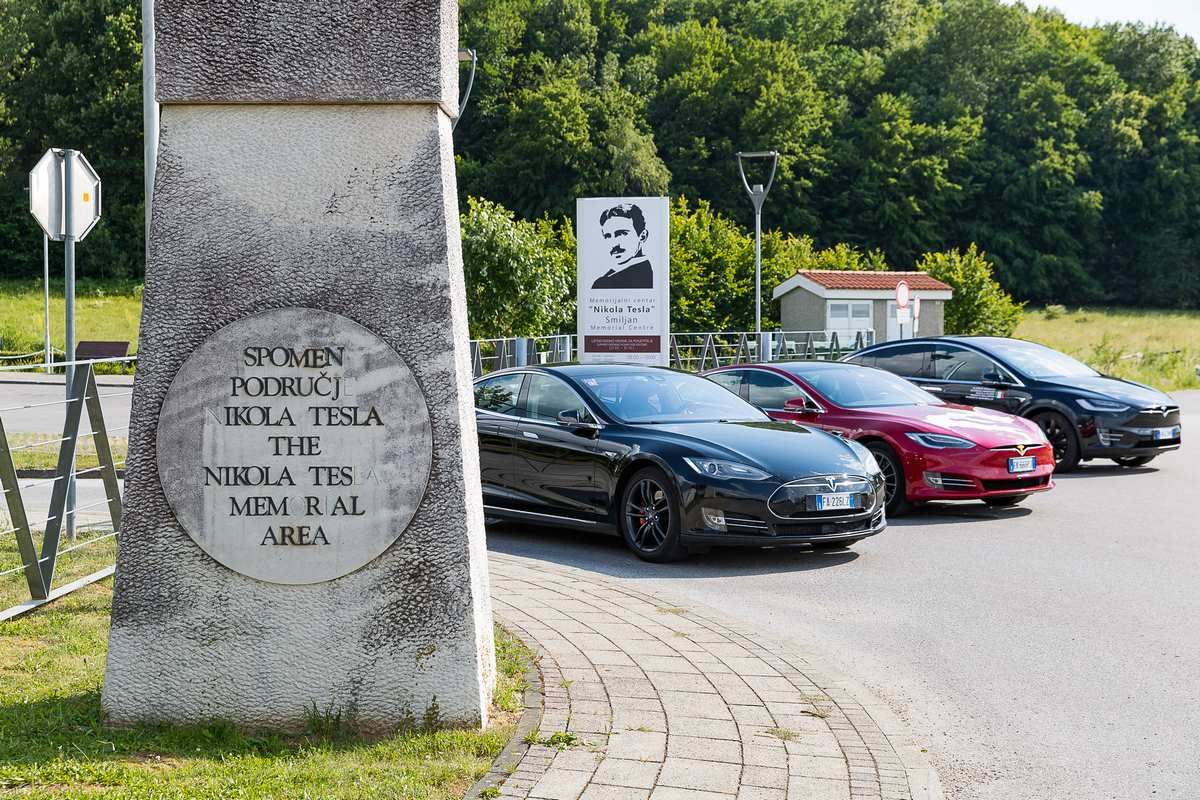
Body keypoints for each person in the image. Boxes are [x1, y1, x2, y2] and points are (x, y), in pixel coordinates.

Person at [592, 203, 654, 289]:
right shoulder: (605, 280)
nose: (614, 244)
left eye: (621, 234)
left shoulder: (603, 284)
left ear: (642, 236)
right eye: (608, 236)